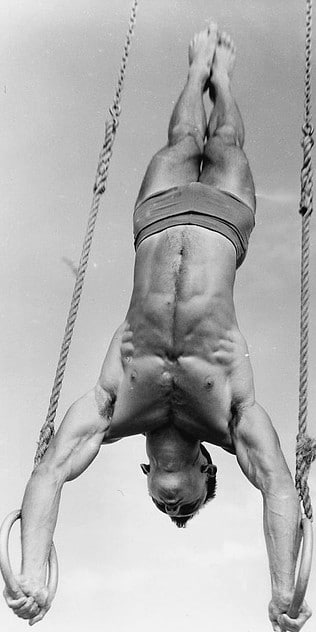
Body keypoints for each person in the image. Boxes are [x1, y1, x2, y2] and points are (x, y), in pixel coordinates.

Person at [3, 23, 312, 631]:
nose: (173, 505)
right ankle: (218, 78)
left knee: (177, 138)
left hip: (157, 221)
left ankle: (196, 72)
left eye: (164, 505)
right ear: (207, 469)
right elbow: (279, 483)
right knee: (222, 141)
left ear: (147, 473)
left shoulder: (114, 408)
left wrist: (32, 577)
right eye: (186, 505)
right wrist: (285, 592)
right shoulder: (229, 416)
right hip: (224, 223)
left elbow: (50, 474)